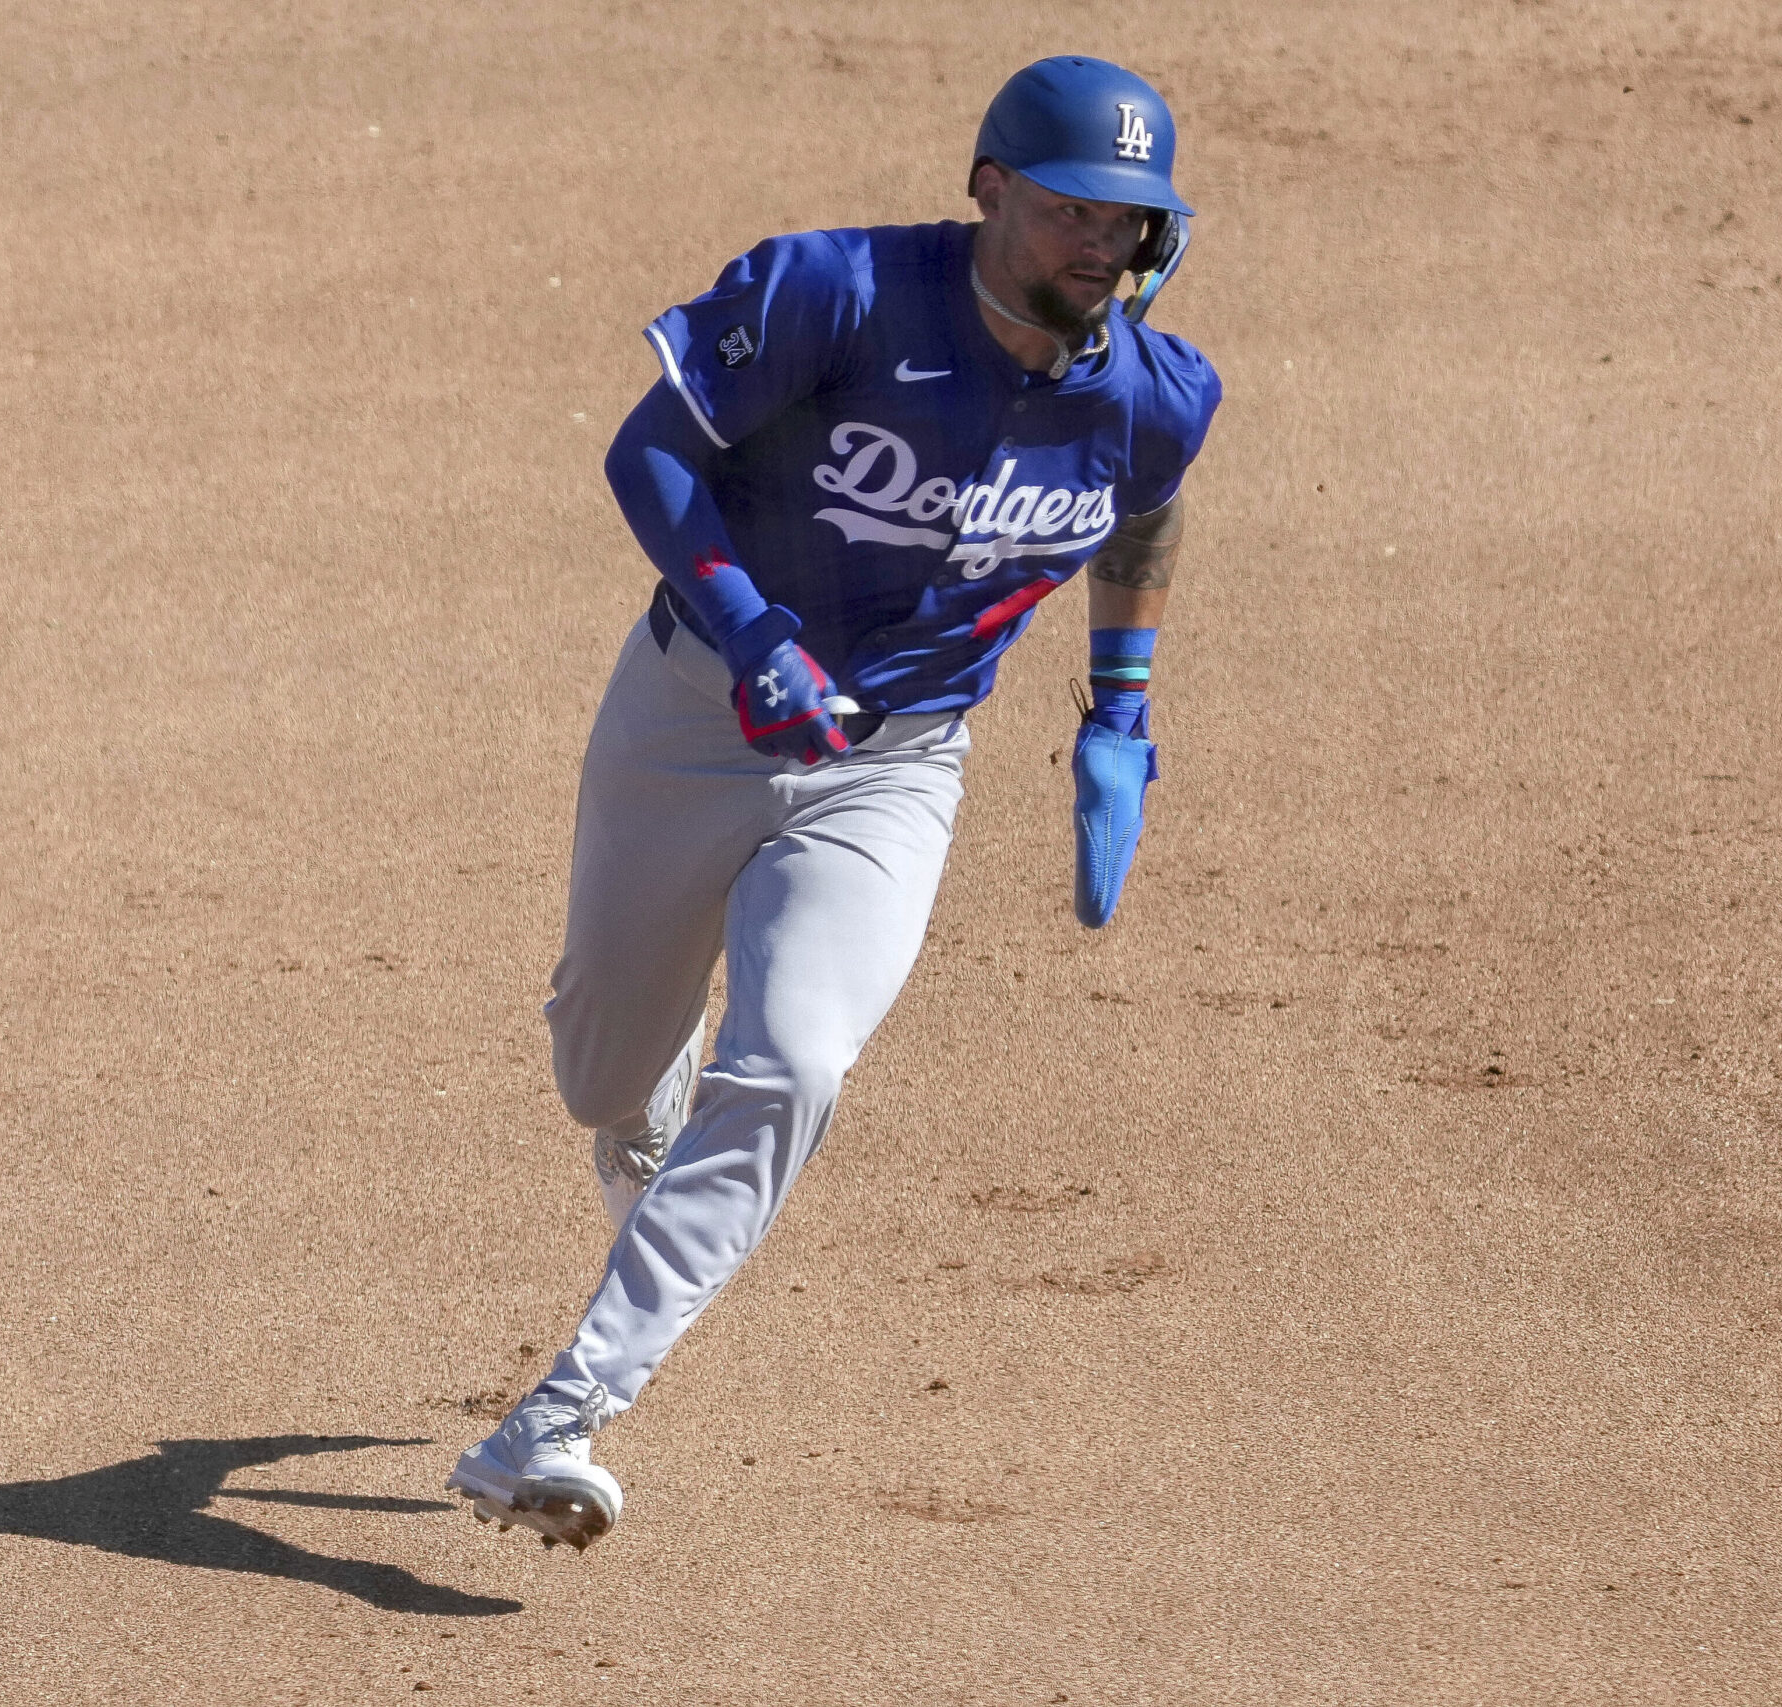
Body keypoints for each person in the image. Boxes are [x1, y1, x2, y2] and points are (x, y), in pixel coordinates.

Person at [448, 56, 1222, 1551]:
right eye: (1067, 208)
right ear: (989, 188)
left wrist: (1118, 709)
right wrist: (750, 628)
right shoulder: (835, 294)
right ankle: (642, 1122)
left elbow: (1149, 501)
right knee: (602, 1073)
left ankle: (565, 1413)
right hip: (696, 713)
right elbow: (650, 451)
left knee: (794, 1061)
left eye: (1126, 222)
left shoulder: (1154, 394)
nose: (1095, 246)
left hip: (896, 764)